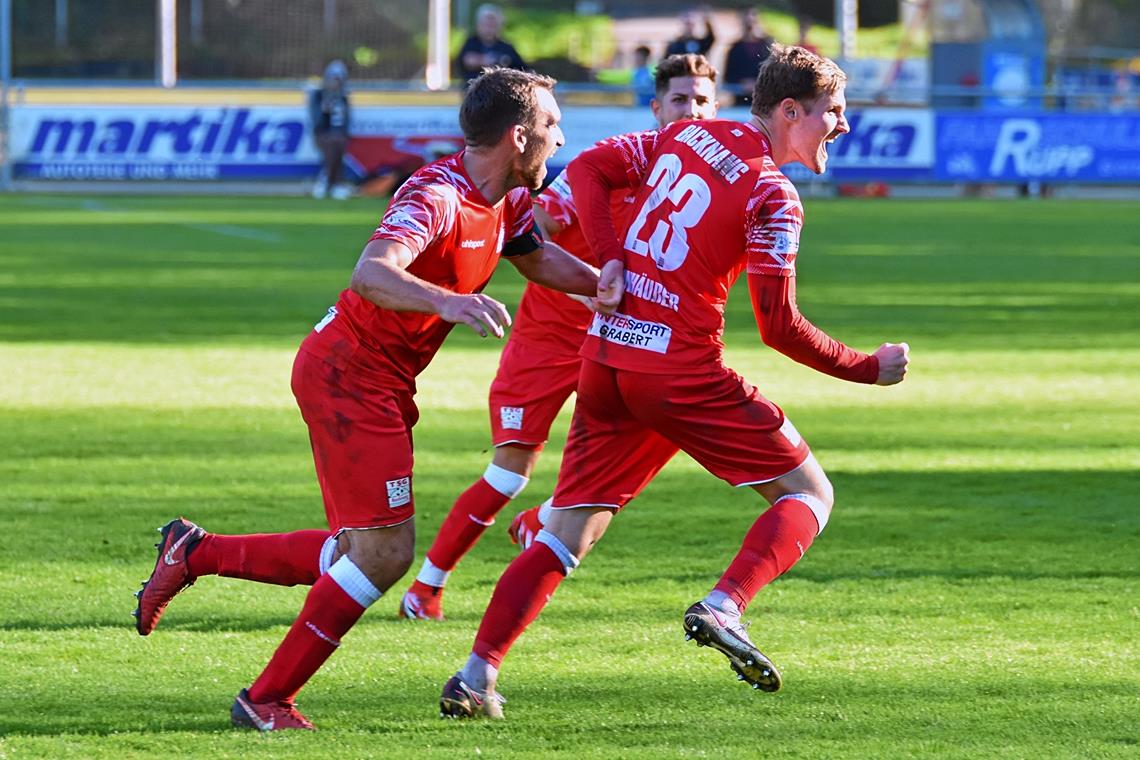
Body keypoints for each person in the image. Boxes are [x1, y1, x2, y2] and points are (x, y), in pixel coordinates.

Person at [438, 44, 910, 719]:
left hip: (605, 358)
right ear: (788, 110)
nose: (843, 125)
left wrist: (611, 263)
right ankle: (725, 607)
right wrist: (869, 368)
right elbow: (778, 327)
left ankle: (476, 675)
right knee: (808, 494)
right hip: (680, 372)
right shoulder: (774, 195)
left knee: (566, 532)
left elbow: (595, 166)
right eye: (833, 112)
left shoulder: (685, 133)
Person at [132, 68, 602, 731]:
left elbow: (536, 260)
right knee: (383, 554)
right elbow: (372, 270)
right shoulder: (438, 194)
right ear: (518, 134)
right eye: (552, 126)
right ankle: (265, 700)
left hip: (378, 381)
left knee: (355, 551)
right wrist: (449, 301)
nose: (561, 137)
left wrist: (612, 288)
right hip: (348, 377)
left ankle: (195, 553)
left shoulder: (511, 201)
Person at [399, 54, 722, 622]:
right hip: (548, 341)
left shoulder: (717, 182)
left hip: (630, 343)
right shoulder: (612, 164)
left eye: (701, 101)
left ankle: (547, 519)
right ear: (656, 108)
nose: (691, 110)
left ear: (715, 108)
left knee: (654, 441)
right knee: (506, 473)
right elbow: (538, 225)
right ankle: (427, 585)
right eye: (680, 100)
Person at [309, 60, 352, 200]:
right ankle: (335, 182)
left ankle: (327, 179)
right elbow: (315, 120)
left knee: (338, 142)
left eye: (338, 79)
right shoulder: (318, 95)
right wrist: (324, 111)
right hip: (322, 134)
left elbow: (346, 120)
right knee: (333, 143)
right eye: (333, 79)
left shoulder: (344, 98)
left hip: (339, 136)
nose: (335, 83)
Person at [457, 4, 527, 83]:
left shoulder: (506, 47)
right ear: (478, 25)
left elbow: (521, 69)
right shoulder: (471, 43)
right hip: (473, 88)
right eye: (486, 25)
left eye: (492, 25)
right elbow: (467, 60)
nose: (488, 29)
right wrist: (485, 60)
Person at [723, 9, 775, 107]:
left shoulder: (768, 47)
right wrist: (743, 84)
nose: (750, 27)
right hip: (740, 101)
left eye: (753, 23)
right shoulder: (735, 48)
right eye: (747, 24)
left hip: (765, 103)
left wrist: (757, 82)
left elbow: (775, 73)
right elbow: (728, 75)